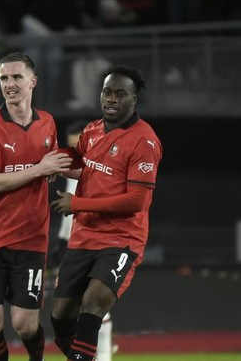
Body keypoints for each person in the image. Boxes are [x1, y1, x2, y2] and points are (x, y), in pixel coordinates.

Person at [50, 65, 162, 361]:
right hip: (84, 236)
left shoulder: (145, 141)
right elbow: (78, 158)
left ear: (133, 100)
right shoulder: (93, 129)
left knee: (93, 303)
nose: (111, 99)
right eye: (107, 92)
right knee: (60, 317)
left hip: (121, 239)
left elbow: (137, 201)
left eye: (120, 94)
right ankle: (82, 355)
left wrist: (77, 204)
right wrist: (51, 163)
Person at [0, 52, 72, 361]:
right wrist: (40, 169)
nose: (9, 84)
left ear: (32, 81)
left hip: (31, 238)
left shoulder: (47, 123)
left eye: (16, 77)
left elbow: (51, 167)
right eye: (3, 78)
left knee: (25, 324)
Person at [50, 119, 116, 361]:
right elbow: (69, 214)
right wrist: (59, 242)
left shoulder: (103, 169)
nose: (74, 154)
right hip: (72, 243)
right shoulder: (74, 171)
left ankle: (104, 355)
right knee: (68, 310)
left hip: (100, 240)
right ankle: (86, 354)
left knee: (93, 304)